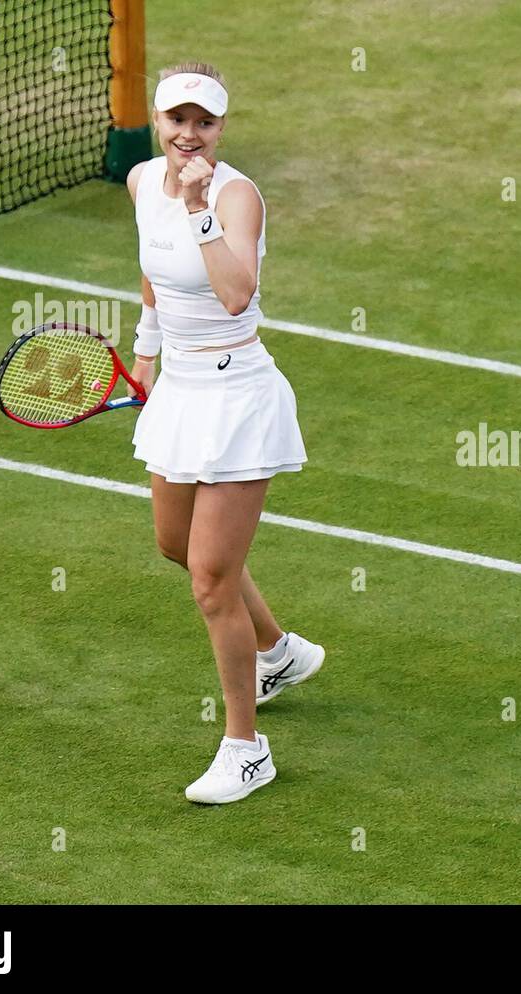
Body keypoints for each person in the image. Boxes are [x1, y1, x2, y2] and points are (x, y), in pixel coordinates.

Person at [125, 62, 325, 804]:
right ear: (159, 121)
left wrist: (201, 207)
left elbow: (238, 294)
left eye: (203, 122)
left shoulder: (238, 196)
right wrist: (145, 347)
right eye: (177, 120)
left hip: (239, 397)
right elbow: (151, 267)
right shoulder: (142, 182)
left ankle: (246, 748)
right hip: (179, 387)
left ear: (220, 129)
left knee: (211, 580)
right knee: (175, 547)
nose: (188, 134)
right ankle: (276, 651)